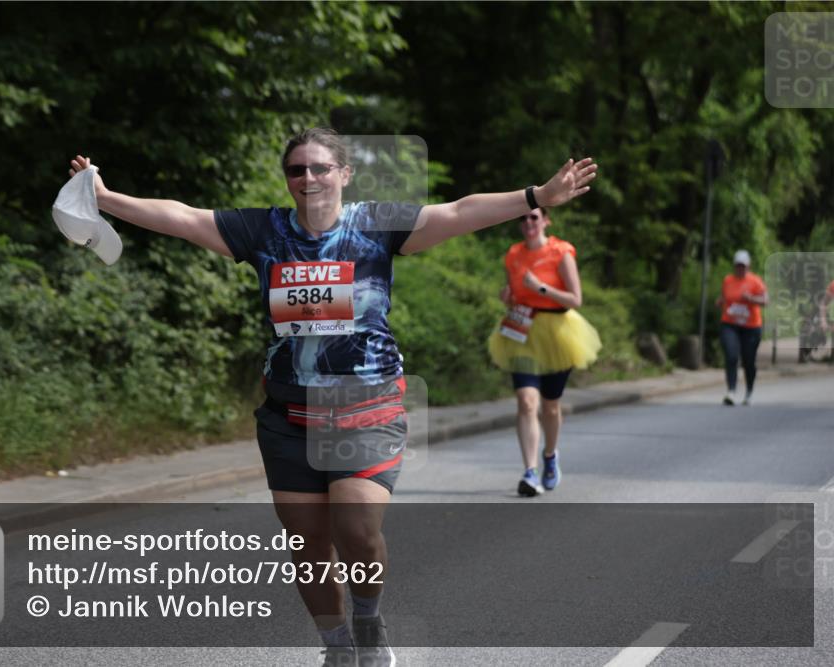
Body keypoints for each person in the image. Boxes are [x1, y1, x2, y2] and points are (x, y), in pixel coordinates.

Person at [66, 128, 597, 666]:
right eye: (297, 170)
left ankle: (369, 622)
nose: (309, 178)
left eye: (321, 168)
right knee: (308, 549)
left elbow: (459, 211)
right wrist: (105, 200)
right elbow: (183, 217)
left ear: (344, 174)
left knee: (356, 529)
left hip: (368, 408)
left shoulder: (375, 224)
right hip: (287, 416)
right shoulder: (263, 229)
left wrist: (536, 197)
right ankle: (338, 649)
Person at [487, 208, 601, 496]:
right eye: (523, 218)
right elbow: (514, 294)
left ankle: (550, 456)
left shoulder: (561, 252)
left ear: (546, 221)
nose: (528, 223)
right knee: (526, 401)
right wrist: (508, 297)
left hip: (558, 333)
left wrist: (541, 288)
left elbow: (576, 299)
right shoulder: (513, 255)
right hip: (522, 330)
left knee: (550, 405)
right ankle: (530, 471)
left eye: (534, 217)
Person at [715, 249, 768, 405]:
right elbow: (724, 297)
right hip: (730, 324)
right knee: (731, 355)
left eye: (743, 266)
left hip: (751, 327)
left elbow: (765, 301)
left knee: (748, 360)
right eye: (738, 266)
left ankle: (749, 391)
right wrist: (720, 302)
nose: (740, 269)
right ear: (734, 266)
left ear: (748, 266)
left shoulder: (755, 281)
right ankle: (731, 391)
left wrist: (750, 298)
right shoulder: (728, 280)